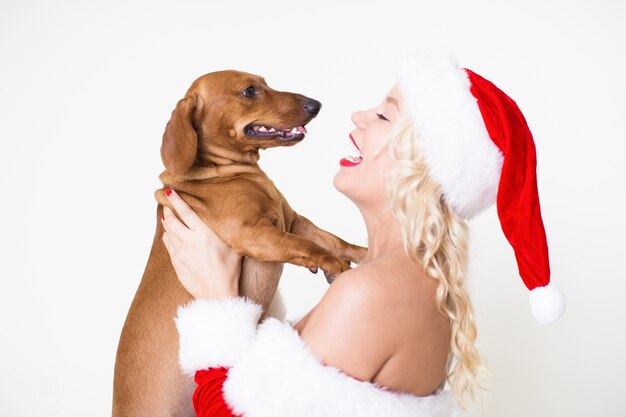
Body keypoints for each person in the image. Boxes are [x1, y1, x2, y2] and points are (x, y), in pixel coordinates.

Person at [161, 52, 565, 417]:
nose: (358, 116)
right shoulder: (403, 283)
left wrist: (217, 308)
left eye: (385, 116)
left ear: (423, 165)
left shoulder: (370, 293)